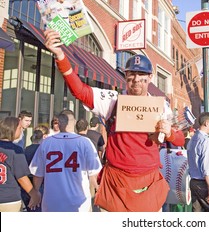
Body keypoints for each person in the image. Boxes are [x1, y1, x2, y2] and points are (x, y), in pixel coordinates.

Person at [43, 29, 185, 212]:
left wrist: (170, 133)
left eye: (141, 76)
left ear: (150, 77)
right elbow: (79, 90)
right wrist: (60, 56)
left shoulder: (161, 106)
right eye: (131, 75)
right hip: (116, 183)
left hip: (148, 183)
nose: (136, 80)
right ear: (125, 76)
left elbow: (180, 140)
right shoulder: (112, 100)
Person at [29, 109, 102, 212]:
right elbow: (94, 172)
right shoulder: (85, 142)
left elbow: (37, 173)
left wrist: (35, 192)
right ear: (74, 121)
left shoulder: (47, 143)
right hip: (79, 202)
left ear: (58, 123)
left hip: (52, 202)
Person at [0, 117, 41, 212]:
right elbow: (21, 177)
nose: (21, 131)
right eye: (20, 128)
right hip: (9, 199)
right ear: (13, 129)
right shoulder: (15, 150)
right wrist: (34, 194)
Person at [21, 129, 44, 212]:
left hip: (27, 183)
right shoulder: (42, 150)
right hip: (40, 182)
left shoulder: (26, 149)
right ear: (42, 138)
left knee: (29, 207)